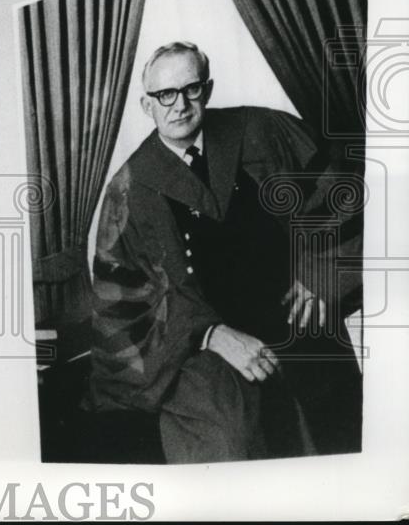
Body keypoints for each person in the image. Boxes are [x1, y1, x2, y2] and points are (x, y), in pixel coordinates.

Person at [87, 41, 362, 463]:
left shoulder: (262, 131)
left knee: (338, 421)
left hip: (294, 311)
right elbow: (123, 299)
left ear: (208, 90)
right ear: (147, 105)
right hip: (201, 343)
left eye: (190, 89)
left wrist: (321, 273)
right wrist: (209, 334)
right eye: (165, 95)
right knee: (231, 436)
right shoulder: (130, 189)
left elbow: (338, 191)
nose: (179, 105)